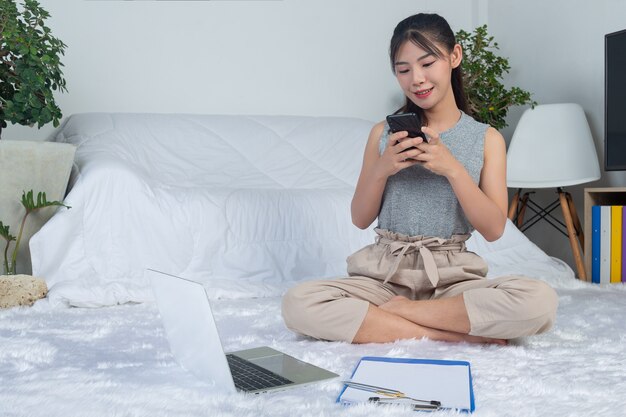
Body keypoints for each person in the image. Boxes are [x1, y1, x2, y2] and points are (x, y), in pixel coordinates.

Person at [281, 13, 558, 345]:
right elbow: (360, 217)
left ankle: (397, 318)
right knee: (298, 303)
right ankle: (448, 334)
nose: (417, 79)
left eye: (428, 63)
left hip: (453, 281)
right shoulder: (382, 135)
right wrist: (383, 168)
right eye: (404, 69)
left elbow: (494, 228)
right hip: (384, 277)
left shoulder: (487, 139)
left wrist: (452, 169)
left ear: (454, 56)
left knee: (539, 300)